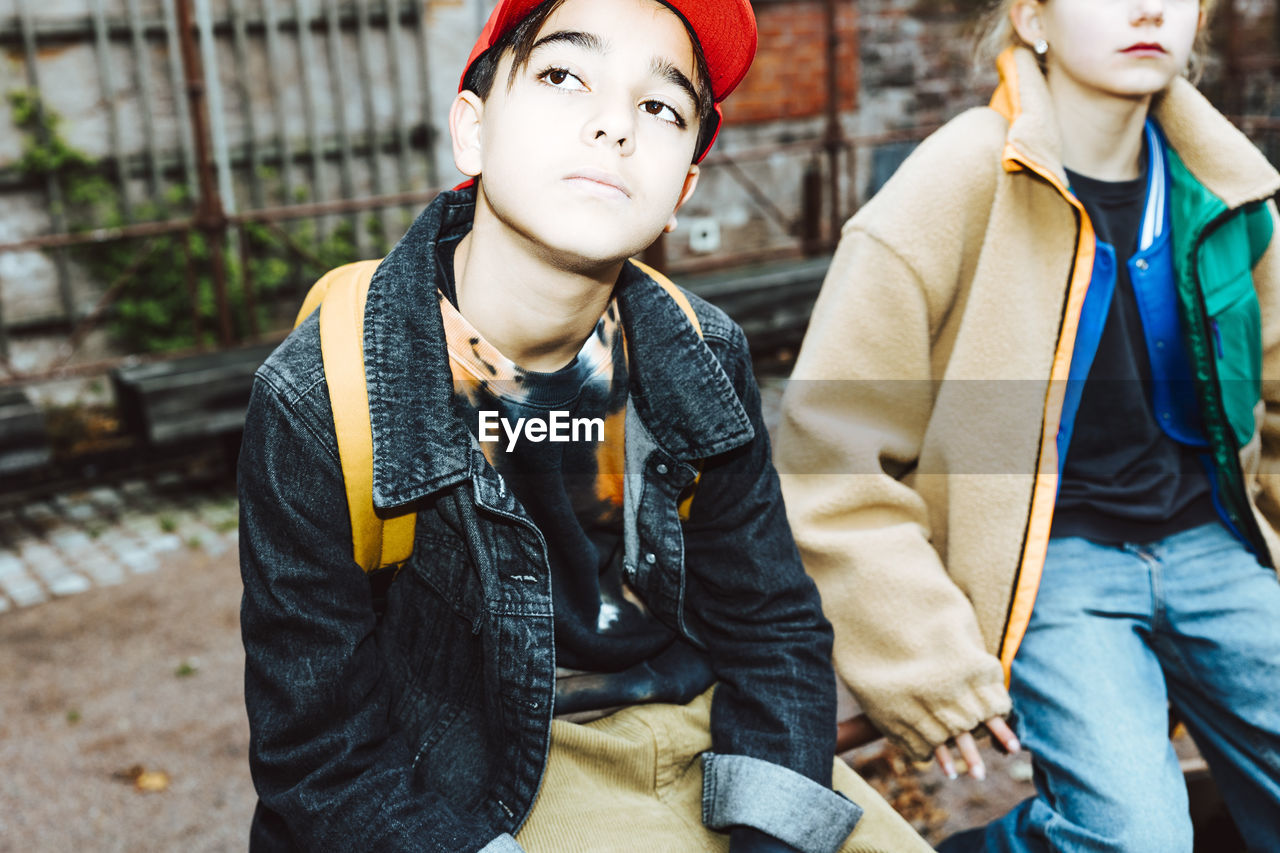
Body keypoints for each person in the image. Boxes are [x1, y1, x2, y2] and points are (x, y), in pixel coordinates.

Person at [238, 0, 931, 850]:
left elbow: (771, 624)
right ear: (473, 130)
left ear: (680, 191)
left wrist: (770, 830)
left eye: (661, 107)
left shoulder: (701, 350)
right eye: (565, 76)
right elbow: (319, 757)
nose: (614, 126)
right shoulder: (320, 398)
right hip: (484, 774)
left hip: (702, 727)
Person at [776, 0, 1280, 849]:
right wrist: (922, 654)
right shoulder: (958, 179)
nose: (1148, 8)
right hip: (1053, 569)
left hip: (1214, 544)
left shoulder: (1229, 188)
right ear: (1032, 19)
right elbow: (831, 454)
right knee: (1135, 838)